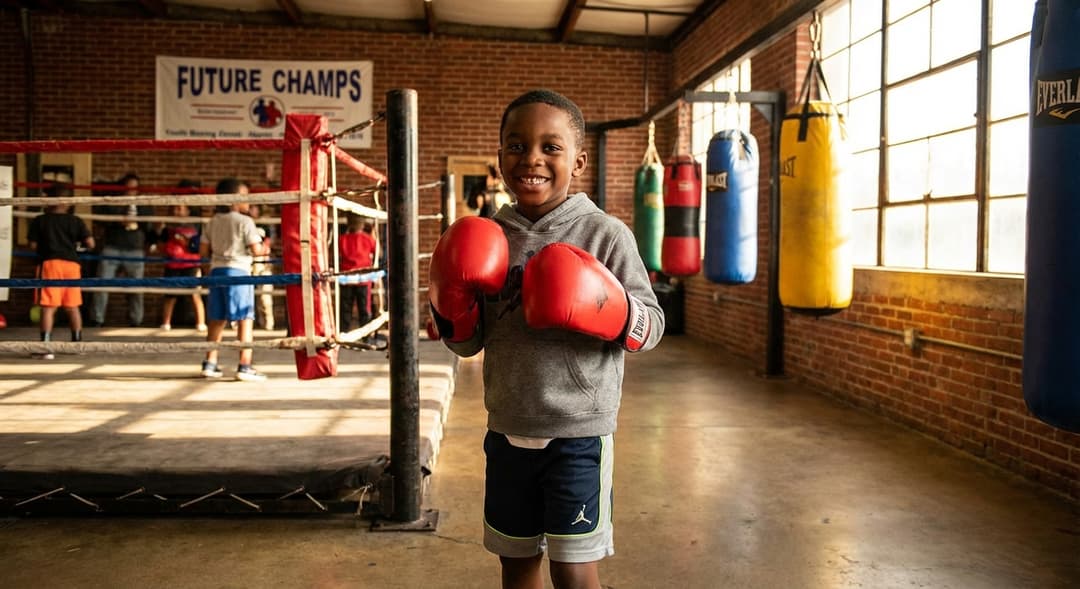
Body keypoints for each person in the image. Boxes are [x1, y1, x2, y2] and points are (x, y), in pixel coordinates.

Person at [428, 89, 665, 589]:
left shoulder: (606, 234)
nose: (530, 158)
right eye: (515, 145)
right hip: (509, 423)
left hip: (579, 432)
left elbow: (651, 327)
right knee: (515, 565)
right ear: (499, 158)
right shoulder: (490, 235)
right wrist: (449, 309)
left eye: (549, 148)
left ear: (577, 160)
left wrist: (613, 310)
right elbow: (468, 345)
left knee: (575, 570)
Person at [199, 178, 269, 382]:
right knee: (244, 319)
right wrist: (263, 245)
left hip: (217, 272)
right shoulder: (245, 221)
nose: (248, 201)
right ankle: (244, 365)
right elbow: (256, 250)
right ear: (234, 200)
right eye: (244, 196)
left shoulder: (211, 221)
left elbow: (203, 251)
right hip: (239, 272)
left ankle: (210, 363)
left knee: (216, 319)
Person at [27, 182, 95, 359]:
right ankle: (77, 344)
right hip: (72, 265)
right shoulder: (76, 221)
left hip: (50, 264)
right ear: (68, 202)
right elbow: (91, 244)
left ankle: (47, 348)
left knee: (48, 308)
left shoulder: (40, 220)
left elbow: (33, 245)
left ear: (50, 200)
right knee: (72, 307)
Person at [90, 172, 156, 327]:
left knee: (136, 288)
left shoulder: (144, 205)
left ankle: (136, 320)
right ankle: (97, 319)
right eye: (128, 187)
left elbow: (149, 226)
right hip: (112, 247)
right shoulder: (114, 202)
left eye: (134, 187)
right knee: (102, 284)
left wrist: (139, 222)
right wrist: (118, 220)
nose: (131, 190)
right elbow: (102, 218)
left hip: (135, 249)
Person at [158, 202, 206, 332]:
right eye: (174, 208)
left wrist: (184, 241)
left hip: (191, 264)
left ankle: (201, 323)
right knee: (170, 295)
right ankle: (166, 323)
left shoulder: (196, 226)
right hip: (173, 264)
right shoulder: (167, 228)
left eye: (180, 209)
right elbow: (160, 247)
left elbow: (198, 247)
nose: (176, 212)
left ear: (188, 211)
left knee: (194, 294)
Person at [338, 213, 378, 332]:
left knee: (345, 308)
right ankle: (366, 336)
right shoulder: (367, 238)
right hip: (363, 278)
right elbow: (378, 252)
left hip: (347, 278)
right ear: (363, 224)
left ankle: (344, 333)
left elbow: (337, 253)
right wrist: (373, 235)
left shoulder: (342, 239)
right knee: (364, 309)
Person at [247, 203, 276, 331]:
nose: (252, 210)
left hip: (262, 259)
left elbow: (270, 241)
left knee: (264, 294)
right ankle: (244, 323)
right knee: (245, 292)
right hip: (246, 259)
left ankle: (267, 324)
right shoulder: (245, 223)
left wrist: (262, 251)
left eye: (254, 208)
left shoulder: (266, 224)